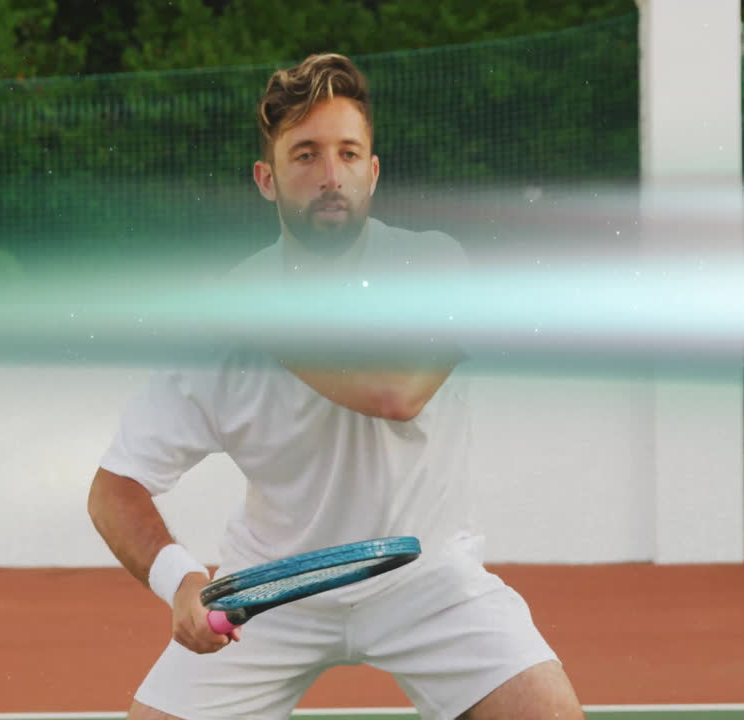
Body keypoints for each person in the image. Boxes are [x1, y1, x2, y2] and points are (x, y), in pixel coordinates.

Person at [88, 53, 583, 720]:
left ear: (372, 173)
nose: (330, 176)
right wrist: (181, 583)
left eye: (349, 154)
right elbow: (114, 487)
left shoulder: (432, 263)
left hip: (429, 579)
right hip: (270, 592)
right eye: (305, 155)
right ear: (266, 179)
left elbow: (397, 391)